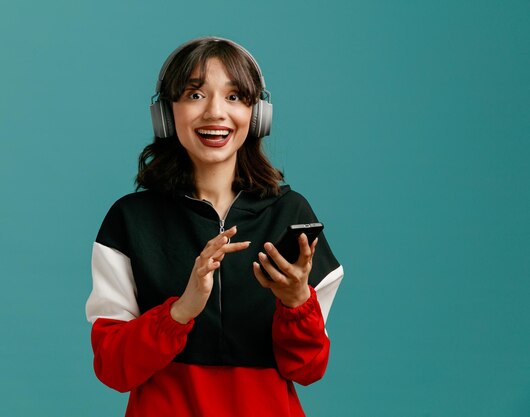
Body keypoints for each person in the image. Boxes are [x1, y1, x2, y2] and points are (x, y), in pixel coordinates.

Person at [85, 36, 344, 417]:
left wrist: (295, 302)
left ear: (258, 115)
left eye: (235, 97)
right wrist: (181, 311)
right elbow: (113, 369)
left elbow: (306, 370)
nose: (215, 112)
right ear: (165, 113)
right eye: (194, 95)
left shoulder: (291, 214)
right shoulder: (130, 220)